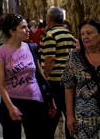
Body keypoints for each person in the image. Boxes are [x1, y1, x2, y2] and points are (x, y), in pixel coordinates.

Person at [0, 14, 56, 139]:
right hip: (12, 101)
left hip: (34, 101)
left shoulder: (31, 48)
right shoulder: (1, 52)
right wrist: (11, 107)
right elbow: (0, 83)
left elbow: (40, 74)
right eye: (24, 27)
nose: (28, 30)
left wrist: (50, 97)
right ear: (12, 31)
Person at [40, 7, 77, 139]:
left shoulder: (50, 35)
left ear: (49, 18)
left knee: (50, 120)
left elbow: (50, 59)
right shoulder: (70, 35)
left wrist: (43, 78)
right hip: (69, 82)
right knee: (69, 116)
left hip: (54, 83)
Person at [62, 18, 100, 138]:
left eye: (89, 33)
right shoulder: (74, 56)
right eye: (83, 34)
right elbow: (68, 87)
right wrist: (69, 115)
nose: (85, 37)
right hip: (83, 117)